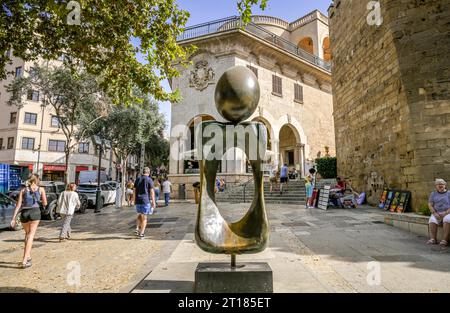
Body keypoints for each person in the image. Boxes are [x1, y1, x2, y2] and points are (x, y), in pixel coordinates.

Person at [10, 174, 47, 268]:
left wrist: (13, 218)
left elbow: (18, 205)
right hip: (35, 212)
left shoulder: (23, 190)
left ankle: (28, 256)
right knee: (31, 236)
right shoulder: (41, 189)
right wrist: (40, 201)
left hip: (24, 213)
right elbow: (45, 203)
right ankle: (24, 260)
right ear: (37, 180)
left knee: (27, 235)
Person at [133, 168, 156, 239]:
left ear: (142, 172)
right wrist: (153, 202)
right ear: (148, 173)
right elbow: (152, 192)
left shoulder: (137, 179)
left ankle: (137, 229)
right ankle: (141, 233)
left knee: (139, 215)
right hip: (145, 200)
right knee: (144, 218)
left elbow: (134, 191)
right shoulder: (149, 180)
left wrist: (134, 200)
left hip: (138, 200)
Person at [427, 178, 450, 247]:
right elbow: (430, 204)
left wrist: (445, 213)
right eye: (438, 184)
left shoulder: (449, 193)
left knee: (447, 219)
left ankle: (445, 240)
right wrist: (434, 213)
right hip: (436, 212)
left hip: (447, 212)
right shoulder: (433, 194)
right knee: (432, 220)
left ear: (445, 185)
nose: (440, 185)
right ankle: (433, 239)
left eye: (441, 184)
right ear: (436, 186)